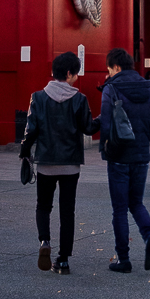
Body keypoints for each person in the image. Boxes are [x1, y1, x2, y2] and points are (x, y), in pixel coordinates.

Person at [89, 48, 150, 273]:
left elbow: (106, 124)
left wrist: (109, 148)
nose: (109, 73)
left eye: (109, 69)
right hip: (142, 155)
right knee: (136, 203)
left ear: (116, 67)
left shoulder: (112, 88)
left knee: (120, 209)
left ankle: (124, 259)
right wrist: (142, 140)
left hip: (119, 156)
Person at [21, 50, 91, 274]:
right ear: (69, 73)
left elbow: (31, 130)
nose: (76, 78)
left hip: (46, 163)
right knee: (67, 211)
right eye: (76, 74)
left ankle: (45, 242)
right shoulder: (79, 99)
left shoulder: (38, 97)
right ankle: (63, 260)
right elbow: (88, 128)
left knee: (43, 206)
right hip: (70, 164)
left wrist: (24, 152)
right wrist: (105, 118)